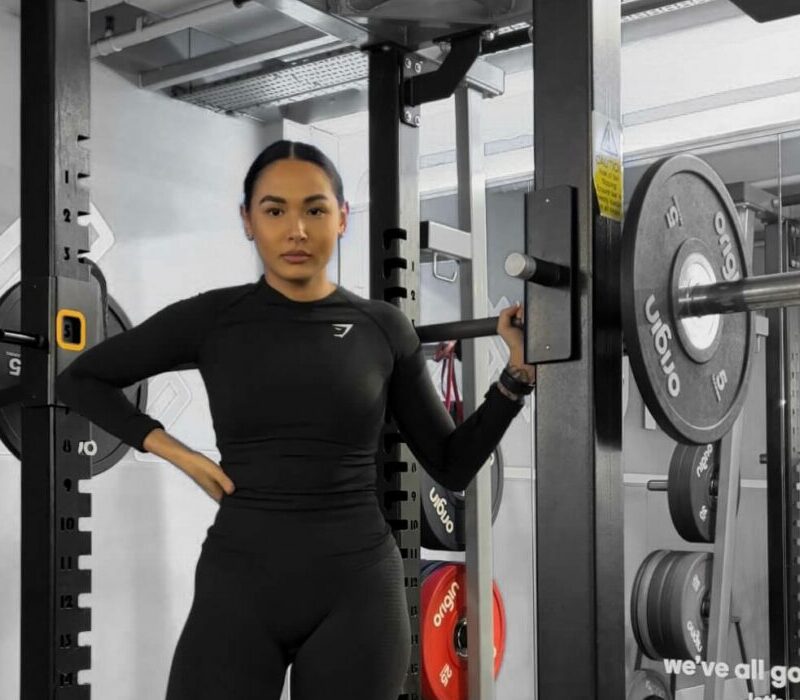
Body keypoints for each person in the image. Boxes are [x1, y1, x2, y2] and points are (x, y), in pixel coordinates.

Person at [54, 139, 536, 700]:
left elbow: (451, 466)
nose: (297, 229)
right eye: (274, 210)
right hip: (240, 580)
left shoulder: (383, 328)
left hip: (356, 589)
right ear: (247, 221)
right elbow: (80, 380)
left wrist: (515, 380)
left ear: (342, 218)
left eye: (315, 208)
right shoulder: (214, 318)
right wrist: (179, 454)